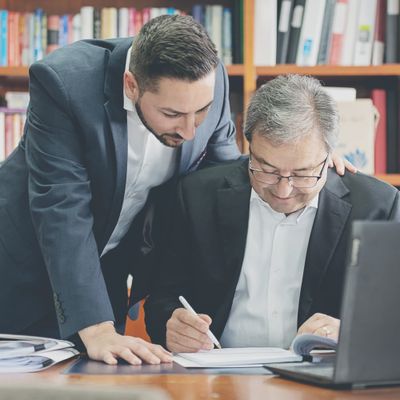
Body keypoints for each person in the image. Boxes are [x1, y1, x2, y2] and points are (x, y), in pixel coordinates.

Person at [0, 15, 241, 365]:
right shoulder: (65, 83)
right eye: (173, 113)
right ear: (131, 85)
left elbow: (225, 181)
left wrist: (306, 162)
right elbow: (62, 207)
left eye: (200, 112)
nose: (190, 131)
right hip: (21, 267)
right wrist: (96, 328)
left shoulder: (208, 79)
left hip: (103, 277)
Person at [144, 74, 400, 353]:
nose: (284, 190)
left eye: (303, 174)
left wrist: (352, 333)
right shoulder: (197, 196)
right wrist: (173, 327)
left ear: (329, 156)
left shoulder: (378, 207)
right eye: (267, 169)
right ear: (248, 147)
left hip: (322, 383)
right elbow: (162, 300)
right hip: (216, 378)